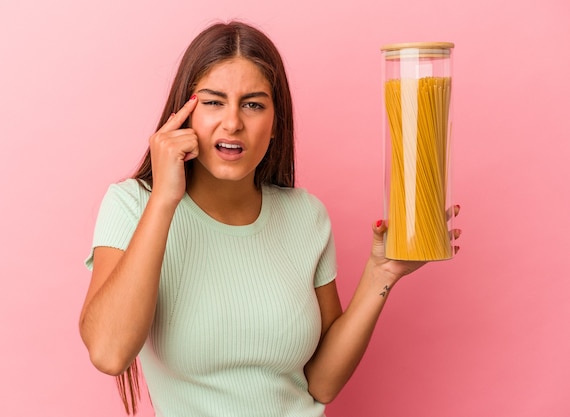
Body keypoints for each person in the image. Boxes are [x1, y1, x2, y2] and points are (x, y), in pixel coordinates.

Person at [79, 20, 461, 416]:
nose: (232, 123)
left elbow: (322, 383)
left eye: (253, 104)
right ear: (184, 115)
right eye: (212, 101)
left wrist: (383, 272)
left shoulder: (304, 215)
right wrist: (164, 200)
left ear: (276, 123)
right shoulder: (132, 205)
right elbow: (109, 353)